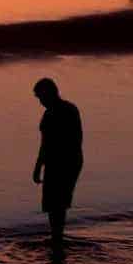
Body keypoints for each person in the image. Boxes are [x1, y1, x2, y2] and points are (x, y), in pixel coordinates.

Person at [32, 78, 83, 245]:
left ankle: (57, 238)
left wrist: (40, 165)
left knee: (57, 204)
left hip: (65, 162)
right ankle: (57, 237)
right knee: (56, 204)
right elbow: (45, 143)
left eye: (41, 97)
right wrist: (39, 166)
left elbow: (48, 143)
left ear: (49, 93)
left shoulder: (63, 111)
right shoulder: (65, 110)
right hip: (66, 161)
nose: (40, 102)